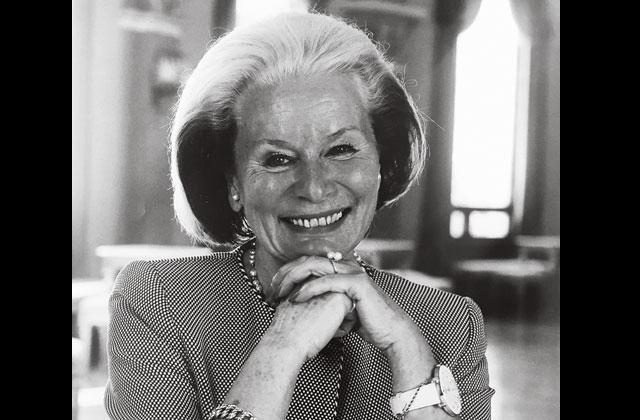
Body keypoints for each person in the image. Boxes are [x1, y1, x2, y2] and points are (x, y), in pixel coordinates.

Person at [104, 11, 494, 420]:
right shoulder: (158, 301)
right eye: (277, 159)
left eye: (341, 150)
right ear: (234, 182)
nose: (314, 187)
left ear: (380, 163)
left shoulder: (450, 325)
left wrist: (407, 350)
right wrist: (282, 347)